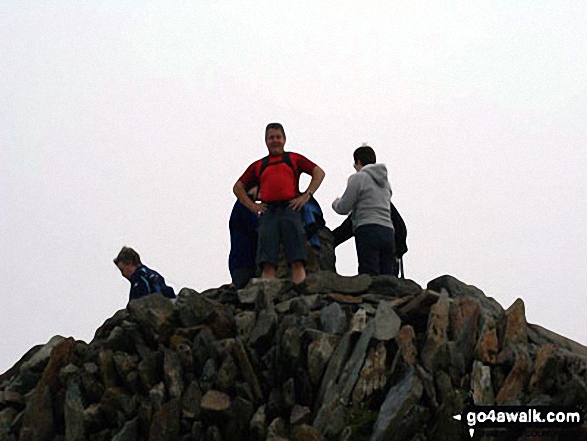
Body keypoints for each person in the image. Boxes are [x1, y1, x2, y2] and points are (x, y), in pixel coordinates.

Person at [233, 122, 325, 284]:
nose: (275, 141)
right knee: (267, 261)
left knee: (297, 259)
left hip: (290, 208)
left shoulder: (294, 159)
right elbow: (238, 187)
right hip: (269, 211)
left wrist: (306, 195)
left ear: (284, 139)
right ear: (266, 141)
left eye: (278, 137)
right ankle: (268, 295)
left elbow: (318, 172)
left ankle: (300, 291)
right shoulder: (259, 165)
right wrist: (252, 206)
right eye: (271, 138)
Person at [332, 146, 395, 275]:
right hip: (388, 231)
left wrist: (335, 202)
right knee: (386, 277)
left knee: (369, 273)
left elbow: (344, 208)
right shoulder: (386, 183)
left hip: (367, 229)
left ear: (358, 162)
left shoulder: (358, 178)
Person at [229, 188, 259, 289]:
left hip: (240, 262)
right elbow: (254, 228)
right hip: (244, 262)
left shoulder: (243, 206)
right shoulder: (245, 206)